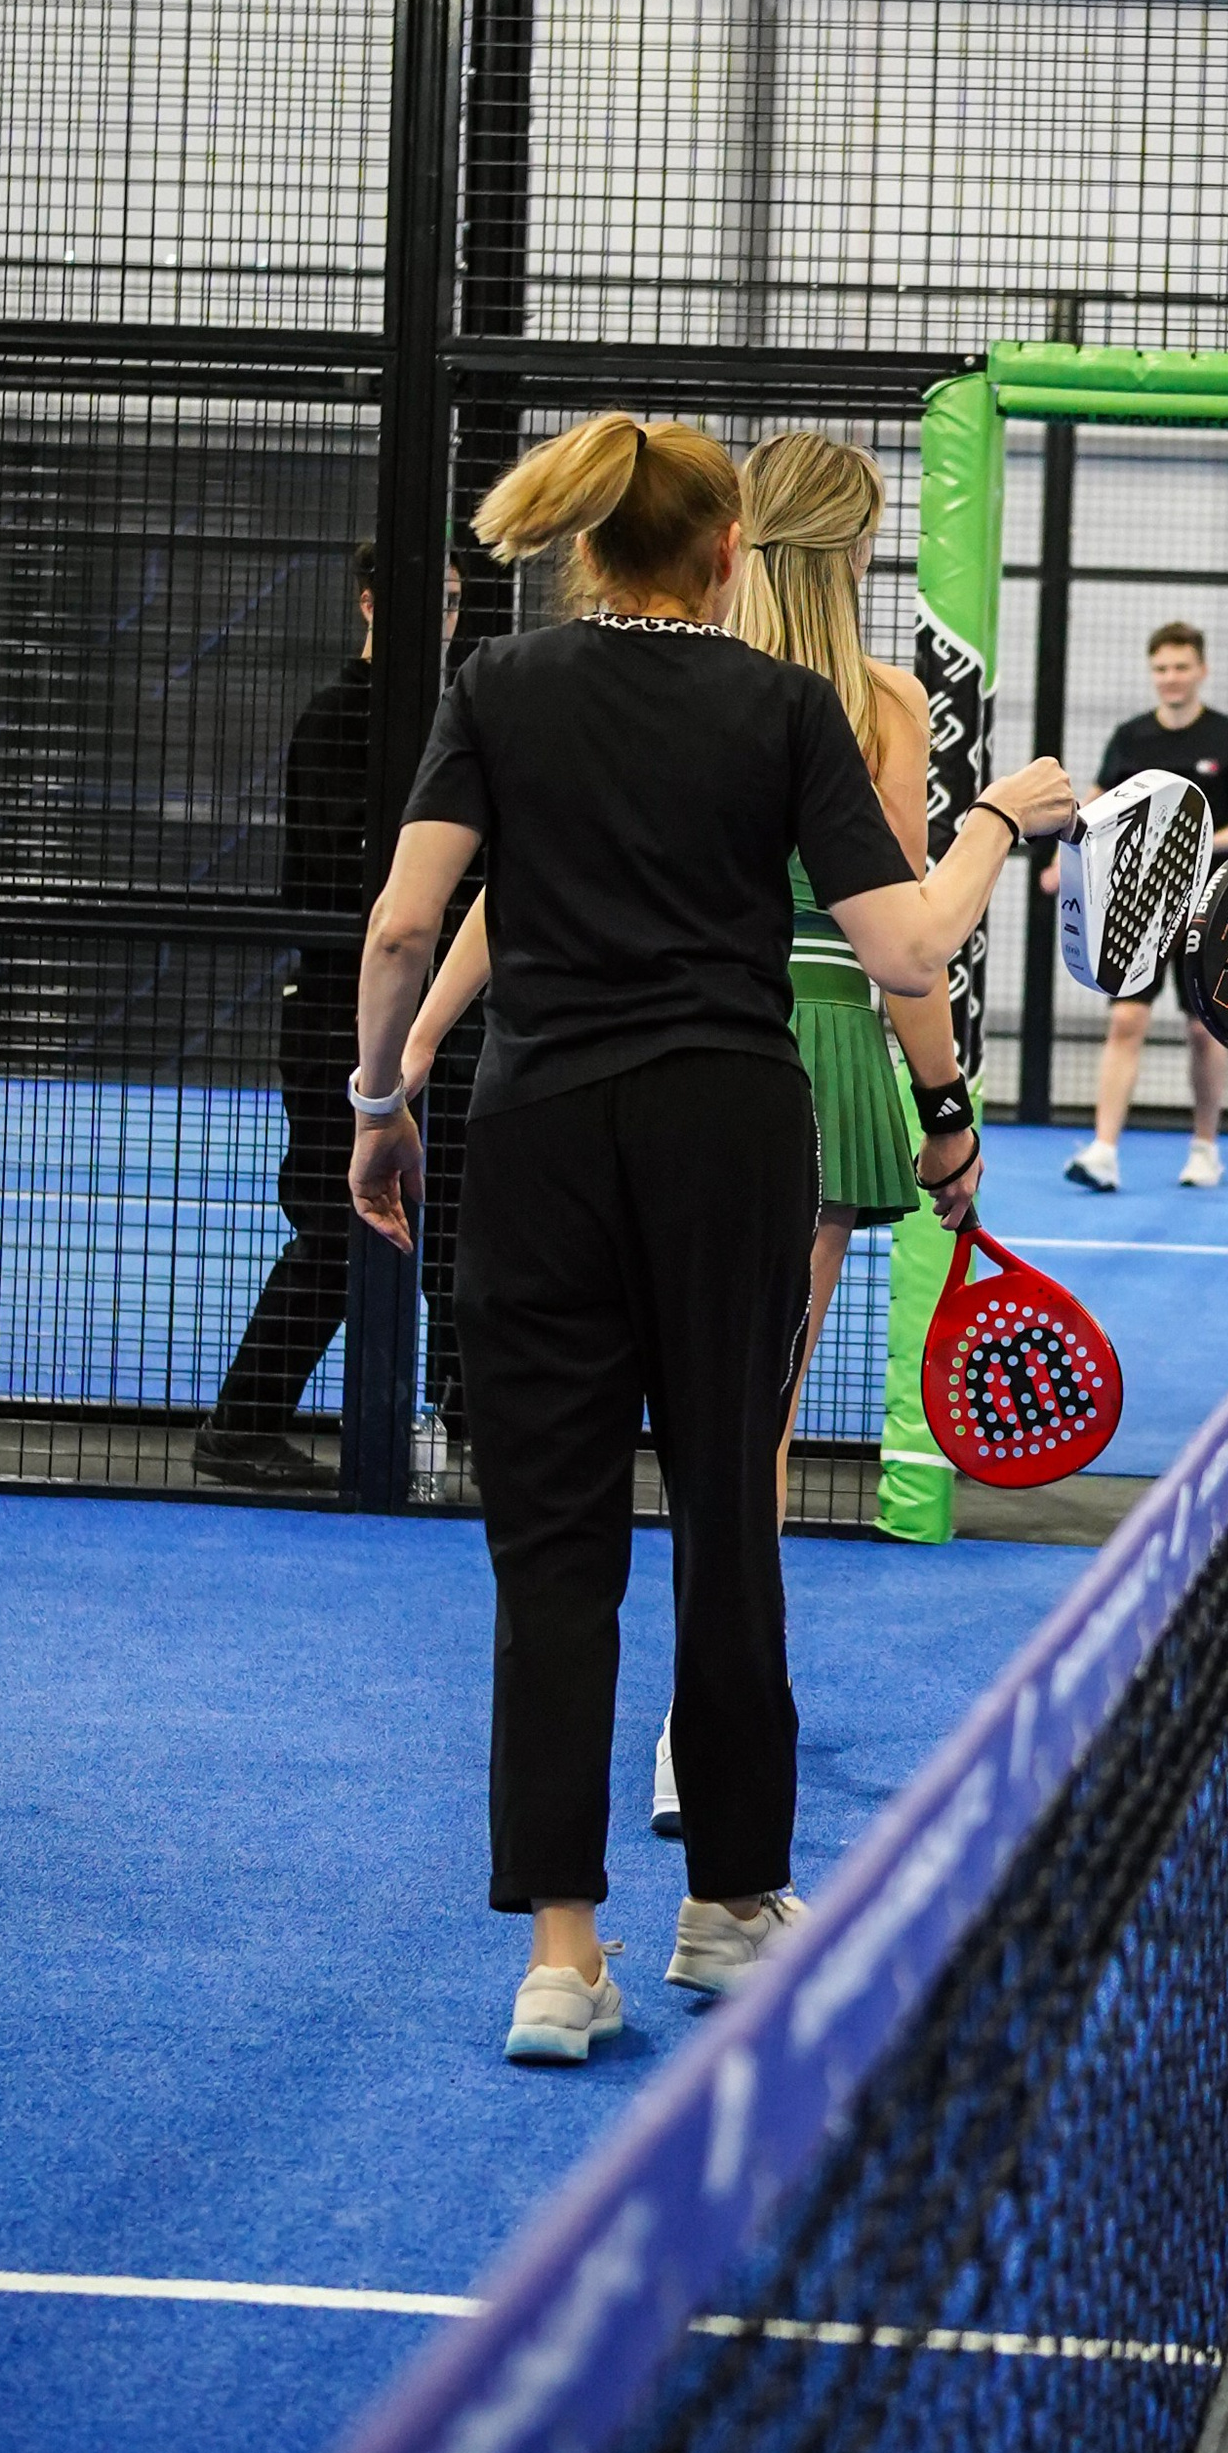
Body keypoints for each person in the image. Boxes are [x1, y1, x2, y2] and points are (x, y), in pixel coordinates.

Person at [347, 411, 1076, 2065]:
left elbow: (411, 919)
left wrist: (379, 1097)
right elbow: (900, 953)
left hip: (537, 1145)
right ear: (724, 556)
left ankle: (556, 1955)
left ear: (593, 543)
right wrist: (994, 830)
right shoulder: (789, 706)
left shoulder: (501, 692)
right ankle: (734, 1905)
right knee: (729, 1518)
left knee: (552, 1549)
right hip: (730, 1140)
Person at [402, 428, 971, 1842]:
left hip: (560, 1105)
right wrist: (947, 1107)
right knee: (743, 1446)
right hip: (776, 1077)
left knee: (570, 1516)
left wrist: (406, 1055)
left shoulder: (529, 687)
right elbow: (901, 943)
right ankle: (709, 1797)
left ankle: (568, 1919)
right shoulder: (851, 707)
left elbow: (459, 901)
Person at [194, 540, 462, 1490]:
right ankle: (240, 1426)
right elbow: (362, 886)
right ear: (367, 607)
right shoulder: (339, 720)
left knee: (458, 1219)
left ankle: (459, 1428)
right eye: (428, 598)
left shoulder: (445, 722)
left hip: (439, 1014)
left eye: (453, 600)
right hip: (336, 1011)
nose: (443, 617)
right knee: (338, 1221)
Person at [1061, 620, 1228, 1193]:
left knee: (1205, 1028)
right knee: (1127, 1020)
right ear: (1151, 674)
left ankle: (1205, 1149)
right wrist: (1066, 857)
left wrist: (1206, 840)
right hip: (1142, 903)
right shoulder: (1131, 738)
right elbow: (1097, 805)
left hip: (1211, 901)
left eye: (1181, 667)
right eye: (1161, 669)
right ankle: (1103, 1151)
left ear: (1201, 670)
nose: (1170, 678)